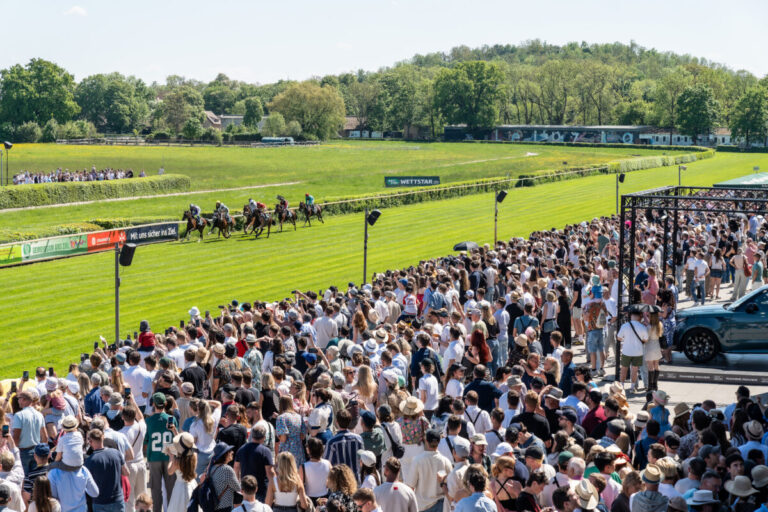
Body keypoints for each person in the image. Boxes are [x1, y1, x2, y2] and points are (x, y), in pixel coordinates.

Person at [406, 429, 452, 512]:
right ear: (439, 442)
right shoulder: (446, 461)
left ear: (426, 441)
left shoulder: (417, 461)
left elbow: (410, 487)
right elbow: (451, 486)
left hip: (422, 506)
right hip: (441, 506)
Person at [84, 428, 127, 512]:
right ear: (102, 438)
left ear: (90, 441)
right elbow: (126, 472)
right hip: (117, 499)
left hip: (100, 502)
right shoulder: (116, 453)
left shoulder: (89, 461)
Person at [236, 425, 275, 504]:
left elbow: (236, 468)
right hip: (262, 490)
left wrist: (238, 486)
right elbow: (270, 473)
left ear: (252, 436)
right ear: (264, 437)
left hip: (246, 489)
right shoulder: (266, 451)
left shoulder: (241, 449)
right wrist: (275, 487)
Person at [616, 306, 648, 393]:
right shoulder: (642, 327)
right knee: (635, 370)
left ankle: (621, 386)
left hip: (626, 350)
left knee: (624, 369)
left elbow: (618, 338)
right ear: (640, 316)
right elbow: (645, 339)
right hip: (638, 351)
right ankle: (632, 387)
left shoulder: (625, 326)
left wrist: (625, 339)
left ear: (631, 315)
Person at [164, 432, 197, 512]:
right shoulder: (194, 455)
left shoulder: (177, 461)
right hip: (192, 485)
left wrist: (171, 458)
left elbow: (169, 471)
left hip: (180, 487)